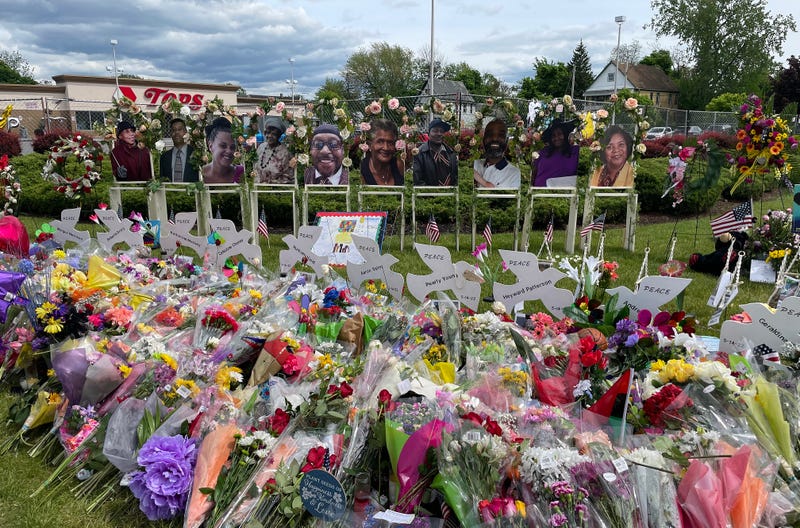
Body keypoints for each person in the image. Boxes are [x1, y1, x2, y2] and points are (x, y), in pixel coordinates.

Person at [473, 118, 520, 188]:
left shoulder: (515, 174)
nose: (494, 138)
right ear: (483, 141)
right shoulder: (475, 164)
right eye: (489, 134)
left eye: (501, 135)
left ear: (507, 142)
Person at [532, 119, 579, 187]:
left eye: (559, 134)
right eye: (553, 136)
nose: (556, 138)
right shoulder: (544, 152)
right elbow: (534, 172)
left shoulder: (575, 151)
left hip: (563, 194)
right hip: (539, 192)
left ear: (565, 135)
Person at [413, 118, 458, 186]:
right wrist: (433, 194)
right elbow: (418, 180)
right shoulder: (419, 154)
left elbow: (455, 178)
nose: (439, 134)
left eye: (442, 131)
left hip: (450, 195)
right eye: (435, 131)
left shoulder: (451, 153)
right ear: (428, 133)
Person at [360, 118, 404, 186]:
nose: (386, 148)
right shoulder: (361, 171)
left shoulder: (399, 166)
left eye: (390, 143)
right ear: (369, 144)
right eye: (380, 142)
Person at [202, 117, 243, 184]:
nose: (229, 151)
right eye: (223, 146)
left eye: (232, 147)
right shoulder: (199, 174)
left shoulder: (241, 173)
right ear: (210, 146)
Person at [159, 117, 199, 182]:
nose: (176, 132)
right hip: (170, 191)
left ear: (185, 131)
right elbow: (162, 181)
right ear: (170, 133)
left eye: (180, 129)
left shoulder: (196, 154)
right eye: (173, 130)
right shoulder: (164, 157)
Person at [255, 116, 293, 184]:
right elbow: (255, 168)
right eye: (268, 133)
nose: (269, 136)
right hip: (257, 188)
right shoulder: (261, 147)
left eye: (273, 134)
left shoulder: (284, 152)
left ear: (279, 136)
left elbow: (288, 176)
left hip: (276, 190)